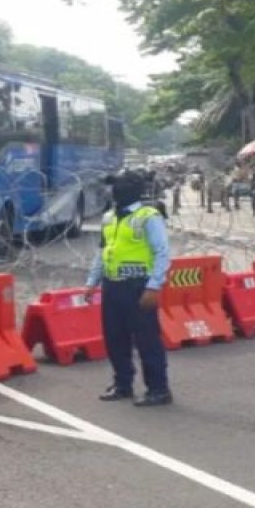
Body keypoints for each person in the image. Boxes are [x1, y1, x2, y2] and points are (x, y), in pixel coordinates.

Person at [84, 170, 173, 407]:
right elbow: (103, 252)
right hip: (113, 286)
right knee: (115, 338)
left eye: (118, 187)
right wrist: (92, 282)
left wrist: (154, 286)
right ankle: (123, 384)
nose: (114, 192)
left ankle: (158, 389)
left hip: (139, 286)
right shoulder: (109, 217)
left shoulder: (148, 216)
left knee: (147, 340)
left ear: (132, 190)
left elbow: (162, 252)